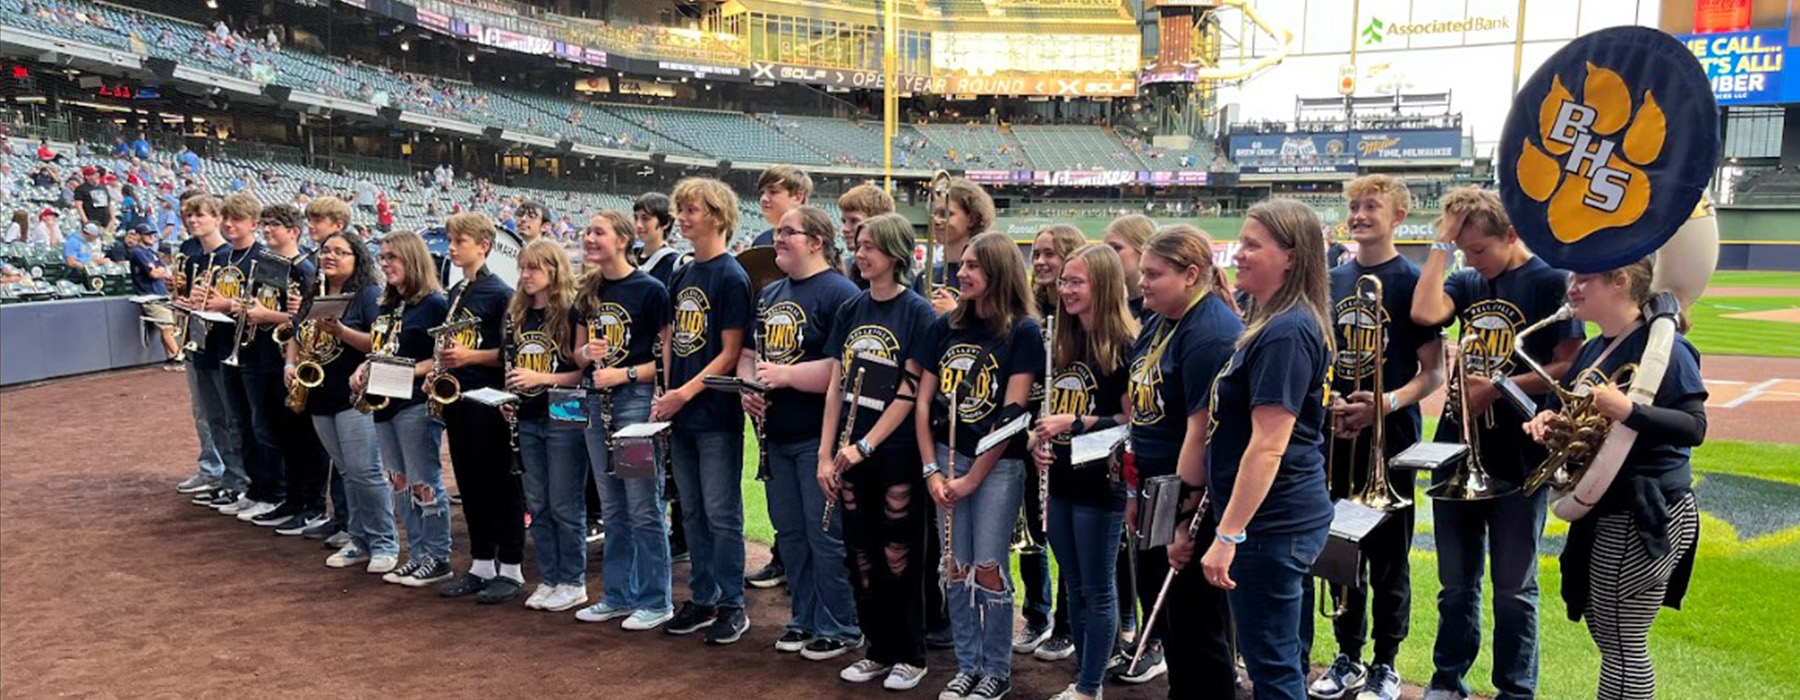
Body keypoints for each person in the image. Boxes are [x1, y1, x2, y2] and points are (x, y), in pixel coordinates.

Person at [1409, 187, 1583, 700]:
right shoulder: (1466, 279)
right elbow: (1424, 312)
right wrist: (1442, 245)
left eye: (1480, 249)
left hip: (1520, 453)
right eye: (1465, 252)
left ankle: (1514, 690)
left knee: (1513, 588)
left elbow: (1569, 361)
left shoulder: (1549, 279)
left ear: (1511, 234)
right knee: (1455, 586)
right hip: (1457, 448)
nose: (1473, 260)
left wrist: (1500, 387)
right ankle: (1447, 681)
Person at [1524, 257, 1704, 700]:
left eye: (1584, 278)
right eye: (1572, 278)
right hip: (1607, 508)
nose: (1573, 287)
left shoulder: (1666, 348)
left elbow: (1694, 427)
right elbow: (1576, 412)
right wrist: (1549, 419)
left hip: (1644, 510)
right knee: (1610, 635)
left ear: (1620, 280)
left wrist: (1629, 411)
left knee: (1623, 641)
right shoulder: (1593, 348)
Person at [1177, 199, 1336, 700]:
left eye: (1252, 244)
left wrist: (1228, 535)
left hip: (1271, 522)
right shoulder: (1275, 322)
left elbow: (1268, 446)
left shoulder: (1287, 330)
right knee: (1273, 660)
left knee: (1273, 668)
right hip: (1271, 519)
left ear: (1290, 256)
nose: (1238, 254)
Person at [1303, 175, 1446, 700]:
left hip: (1394, 439)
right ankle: (1347, 655)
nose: (1360, 215)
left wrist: (1383, 404)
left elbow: (1433, 374)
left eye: (1372, 206)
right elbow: (1319, 358)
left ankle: (1386, 662)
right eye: (1355, 206)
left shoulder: (1412, 281)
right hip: (1339, 434)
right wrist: (1332, 403)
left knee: (1388, 559)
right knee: (1342, 551)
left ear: (1400, 216)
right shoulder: (1331, 278)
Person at [913, 231, 1042, 700]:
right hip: (947, 460)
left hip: (997, 467)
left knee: (988, 566)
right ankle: (967, 665)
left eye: (973, 266)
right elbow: (923, 403)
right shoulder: (943, 327)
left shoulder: (1023, 331)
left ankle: (996, 669)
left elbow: (1013, 414)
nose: (961, 272)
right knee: (955, 565)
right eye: (961, 264)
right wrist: (931, 469)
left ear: (998, 272)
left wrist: (971, 478)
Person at [1118, 225, 1243, 692]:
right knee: (1167, 616)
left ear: (1191, 274)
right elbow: (1142, 414)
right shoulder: (1159, 320)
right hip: (1157, 489)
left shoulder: (1210, 332)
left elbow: (1200, 431)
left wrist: (1180, 522)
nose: (1142, 283)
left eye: (1155, 274)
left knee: (1196, 624)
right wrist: (1136, 491)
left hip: (1191, 498)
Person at [819, 212, 937, 691]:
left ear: (895, 254)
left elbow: (909, 392)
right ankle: (878, 647)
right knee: (860, 554)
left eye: (870, 246)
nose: (860, 253)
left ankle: (911, 651)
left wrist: (864, 446)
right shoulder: (852, 308)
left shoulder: (918, 312)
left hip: (895, 453)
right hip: (851, 454)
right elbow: (835, 386)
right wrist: (826, 454)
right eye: (859, 245)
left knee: (898, 554)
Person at [742, 206, 862, 659]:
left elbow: (841, 369)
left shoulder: (840, 292)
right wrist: (748, 388)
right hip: (776, 434)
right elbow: (752, 353)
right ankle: (804, 617)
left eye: (787, 232)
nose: (778, 240)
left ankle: (841, 624)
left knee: (824, 534)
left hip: (818, 434)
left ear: (815, 240)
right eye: (777, 232)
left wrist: (786, 377)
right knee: (789, 533)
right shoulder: (770, 292)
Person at [1029, 244, 1137, 700]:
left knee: (1097, 586)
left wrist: (1074, 423)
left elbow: (1134, 420)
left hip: (1102, 483)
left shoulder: (1128, 346)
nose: (1066, 290)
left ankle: (1090, 686)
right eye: (1064, 282)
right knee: (1074, 586)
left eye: (1077, 283)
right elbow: (1047, 413)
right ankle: (1082, 678)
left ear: (1104, 287)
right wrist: (1039, 439)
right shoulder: (1063, 342)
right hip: (1063, 477)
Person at [652, 177, 754, 645]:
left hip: (714, 412)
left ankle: (732, 604)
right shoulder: (683, 270)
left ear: (716, 215)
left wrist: (684, 392)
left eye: (692, 210)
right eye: (683, 210)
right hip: (683, 408)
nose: (684, 218)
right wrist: (666, 390)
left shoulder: (731, 276)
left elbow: (730, 352)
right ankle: (703, 596)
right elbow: (672, 336)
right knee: (690, 510)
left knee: (721, 512)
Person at [571, 211, 676, 631]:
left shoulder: (650, 290)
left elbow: (666, 360)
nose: (590, 238)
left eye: (599, 232)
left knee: (642, 506)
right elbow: (576, 353)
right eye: (588, 232)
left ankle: (655, 599)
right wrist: (588, 356)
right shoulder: (588, 291)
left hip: (632, 403)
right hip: (596, 401)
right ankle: (617, 594)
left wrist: (627, 374)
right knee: (612, 505)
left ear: (623, 239)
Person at [349, 231, 453, 588]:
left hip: (414, 402)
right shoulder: (389, 304)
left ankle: (438, 556)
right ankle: (418, 554)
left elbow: (441, 358)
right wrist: (364, 367)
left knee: (424, 481)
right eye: (383, 258)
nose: (386, 264)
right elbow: (382, 348)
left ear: (412, 258)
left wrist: (404, 371)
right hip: (385, 401)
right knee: (400, 482)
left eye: (392, 257)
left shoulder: (435, 303)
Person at [434, 212, 528, 605]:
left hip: (489, 404)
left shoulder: (500, 292)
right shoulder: (458, 291)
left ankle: (511, 566)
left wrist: (469, 356)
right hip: (459, 400)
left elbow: (511, 352)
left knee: (500, 485)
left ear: (484, 246)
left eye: (460, 242)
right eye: (451, 241)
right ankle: (481, 563)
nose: (453, 248)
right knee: (470, 485)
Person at [294, 230, 397, 573]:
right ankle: (359, 539)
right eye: (326, 250)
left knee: (365, 472)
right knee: (346, 471)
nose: (330, 256)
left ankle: (384, 542)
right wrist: (289, 364)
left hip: (354, 396)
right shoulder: (316, 291)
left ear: (357, 259)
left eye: (340, 252)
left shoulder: (368, 294)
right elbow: (297, 332)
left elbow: (379, 344)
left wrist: (341, 332)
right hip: (320, 394)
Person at [505, 238, 592, 613]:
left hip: (566, 411)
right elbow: (510, 366)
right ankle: (550, 576)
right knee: (538, 503)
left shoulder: (573, 312)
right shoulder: (517, 315)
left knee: (565, 503)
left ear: (554, 271)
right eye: (523, 267)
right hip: (527, 415)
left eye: (534, 268)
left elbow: (584, 373)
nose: (526, 275)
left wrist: (541, 378)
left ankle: (573, 580)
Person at [1017, 223, 1086, 661]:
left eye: (1051, 255)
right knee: (1031, 532)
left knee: (1065, 538)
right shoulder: (1025, 312)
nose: (1041, 262)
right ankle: (1036, 614)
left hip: (1069, 437)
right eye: (1037, 254)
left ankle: (1065, 624)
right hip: (1029, 434)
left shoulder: (1079, 316)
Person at [201, 193, 288, 520]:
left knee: (262, 426)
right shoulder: (223, 258)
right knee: (240, 424)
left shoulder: (267, 259)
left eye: (235, 219)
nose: (228, 224)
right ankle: (255, 487)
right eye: (226, 218)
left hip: (259, 352)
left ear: (252, 224)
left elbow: (271, 308)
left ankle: (274, 490)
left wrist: (229, 305)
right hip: (228, 347)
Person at [175, 194, 243, 505]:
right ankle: (227, 478)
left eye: (200, 215)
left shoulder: (231, 257)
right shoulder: (193, 259)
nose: (193, 221)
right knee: (213, 417)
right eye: (189, 216)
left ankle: (241, 481)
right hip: (200, 344)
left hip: (225, 346)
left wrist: (220, 303)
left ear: (217, 219)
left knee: (232, 418)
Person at [915, 178, 994, 316]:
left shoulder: (989, 274)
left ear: (972, 219)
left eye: (946, 214)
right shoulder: (926, 276)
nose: (936, 220)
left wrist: (953, 313)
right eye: (934, 214)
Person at [124, 222, 182, 370]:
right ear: (139, 236)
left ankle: (170, 359)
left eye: (152, 234)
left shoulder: (151, 253)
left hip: (160, 295)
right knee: (168, 328)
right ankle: (179, 357)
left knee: (168, 328)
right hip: (148, 296)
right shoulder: (137, 252)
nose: (151, 237)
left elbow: (165, 272)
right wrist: (161, 271)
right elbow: (154, 273)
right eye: (147, 234)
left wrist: (161, 271)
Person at [835, 183, 896, 289]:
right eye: (844, 221)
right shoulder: (845, 269)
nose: (845, 229)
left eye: (854, 221)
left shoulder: (897, 276)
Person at [1102, 214, 1154, 319]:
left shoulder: (1161, 309)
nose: (1108, 256)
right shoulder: (1104, 303)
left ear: (1142, 250)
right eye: (1106, 250)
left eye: (1116, 248)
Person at [750, 164, 813, 248]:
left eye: (773, 192)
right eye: (762, 193)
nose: (763, 198)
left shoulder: (814, 240)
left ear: (798, 197)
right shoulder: (761, 241)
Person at [633, 192, 681, 288]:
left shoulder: (673, 263)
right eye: (635, 218)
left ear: (666, 222)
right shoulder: (629, 255)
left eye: (645, 218)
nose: (638, 224)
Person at [74, 166, 114, 232]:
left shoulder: (103, 187)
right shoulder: (81, 189)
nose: (97, 176)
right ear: (87, 177)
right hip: (92, 219)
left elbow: (109, 203)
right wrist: (86, 221)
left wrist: (113, 219)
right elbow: (79, 206)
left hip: (105, 220)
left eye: (96, 173)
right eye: (93, 174)